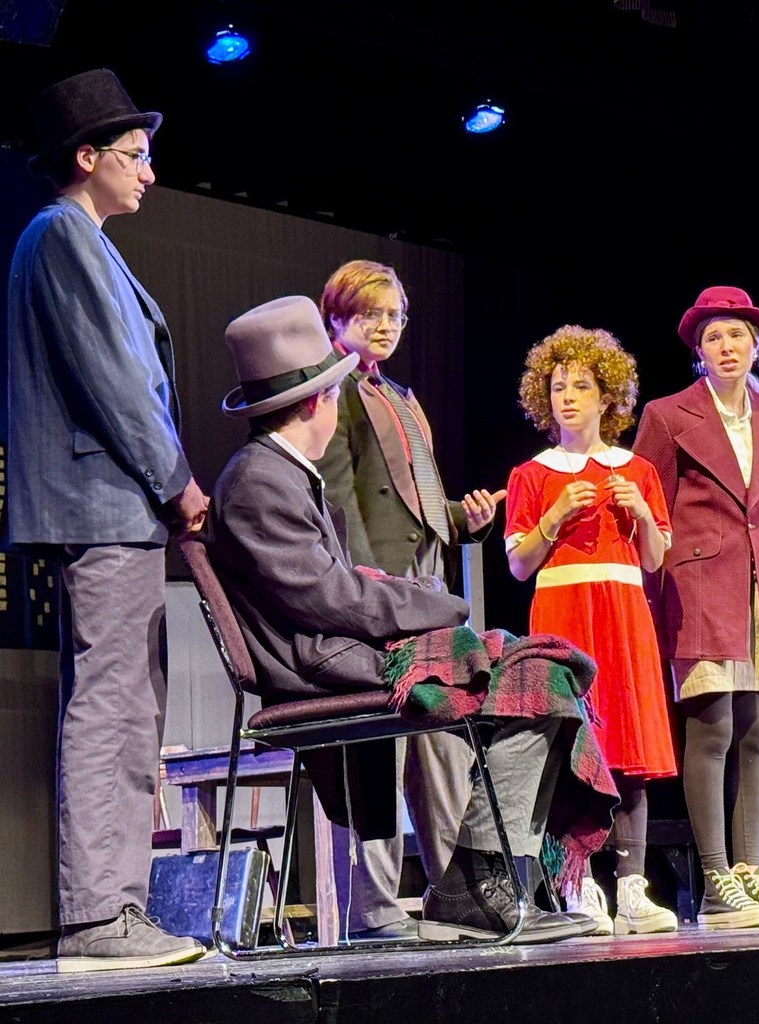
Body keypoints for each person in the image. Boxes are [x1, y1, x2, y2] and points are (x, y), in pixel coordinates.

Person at [202, 293, 620, 944]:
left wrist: (422, 601)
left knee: (544, 671)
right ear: (316, 403)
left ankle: (483, 883)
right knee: (538, 681)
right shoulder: (261, 480)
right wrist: (440, 605)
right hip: (321, 664)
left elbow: (333, 589)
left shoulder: (280, 472)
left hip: (336, 648)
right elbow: (330, 598)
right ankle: (475, 888)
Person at [4, 68, 209, 971]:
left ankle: (111, 909)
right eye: (136, 155)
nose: (149, 173)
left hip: (114, 509)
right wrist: (178, 480)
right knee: (112, 707)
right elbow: (117, 381)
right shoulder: (61, 234)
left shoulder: (74, 239)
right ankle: (99, 915)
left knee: (126, 706)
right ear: (87, 157)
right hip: (107, 505)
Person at [315, 258, 503, 941]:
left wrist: (463, 519)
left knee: (443, 737)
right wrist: (370, 588)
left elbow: (414, 506)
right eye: (370, 314)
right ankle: (371, 905)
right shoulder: (330, 390)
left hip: (426, 586)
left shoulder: (397, 394)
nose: (386, 326)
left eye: (395, 315)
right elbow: (341, 501)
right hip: (379, 596)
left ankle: (458, 891)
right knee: (380, 746)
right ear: (336, 316)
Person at [633, 285, 759, 929]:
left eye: (736, 334)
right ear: (699, 352)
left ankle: (751, 874)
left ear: (755, 342)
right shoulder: (667, 415)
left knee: (758, 730)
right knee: (712, 728)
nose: (726, 346)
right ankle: (716, 880)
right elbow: (649, 505)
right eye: (713, 337)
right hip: (699, 584)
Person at [504, 324, 678, 936]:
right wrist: (553, 517)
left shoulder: (638, 471)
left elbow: (655, 558)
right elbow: (519, 564)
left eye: (581, 386)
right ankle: (576, 886)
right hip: (564, 616)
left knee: (627, 745)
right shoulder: (532, 474)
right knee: (570, 745)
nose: (568, 398)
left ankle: (632, 887)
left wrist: (642, 514)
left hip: (624, 615)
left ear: (607, 397)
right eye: (558, 388)